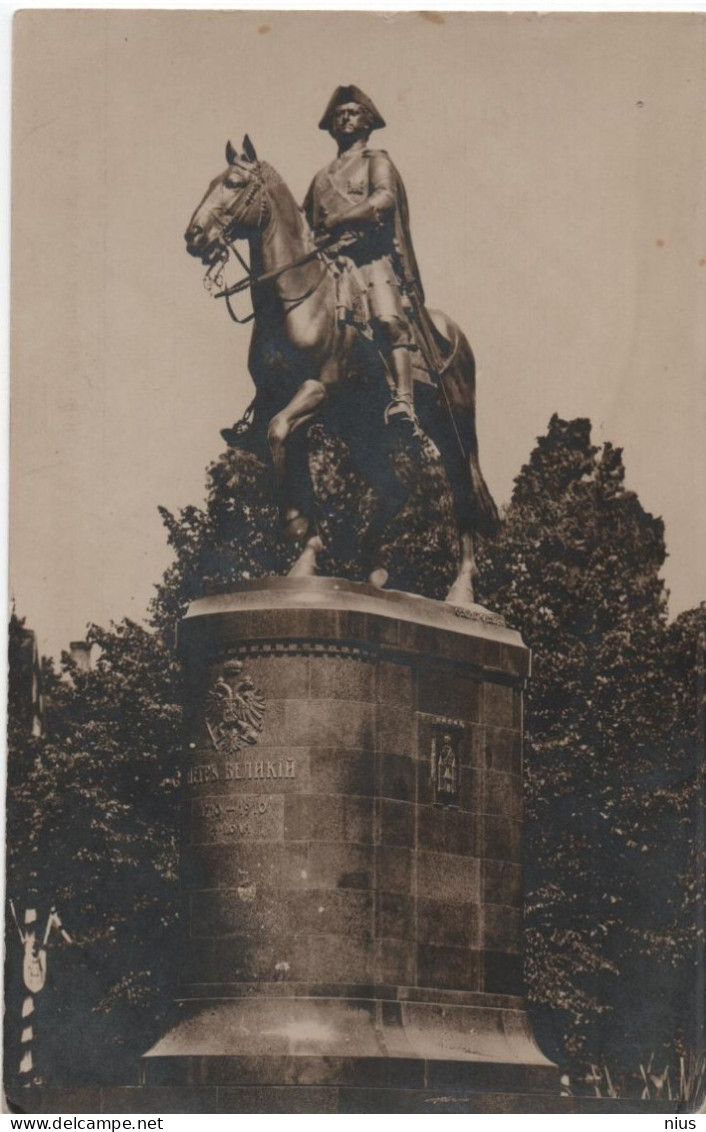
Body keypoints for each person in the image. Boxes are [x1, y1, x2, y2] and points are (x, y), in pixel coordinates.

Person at [304, 84, 434, 432]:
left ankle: (404, 400)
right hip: (331, 265)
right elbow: (306, 225)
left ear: (367, 121)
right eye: (338, 114)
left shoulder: (376, 160)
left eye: (352, 112)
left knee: (388, 319)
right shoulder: (320, 178)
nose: (343, 117)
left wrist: (342, 219)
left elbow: (384, 199)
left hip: (369, 258)